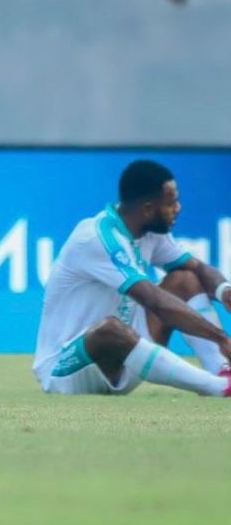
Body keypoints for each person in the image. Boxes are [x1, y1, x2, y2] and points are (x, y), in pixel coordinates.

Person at [34, 159, 231, 397]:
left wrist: (223, 290)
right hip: (66, 369)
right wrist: (220, 336)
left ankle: (222, 370)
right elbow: (154, 300)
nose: (178, 208)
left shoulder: (151, 232)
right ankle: (220, 388)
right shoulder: (97, 238)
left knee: (184, 279)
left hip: (125, 358)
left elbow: (198, 268)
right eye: (171, 203)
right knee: (110, 329)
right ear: (148, 208)